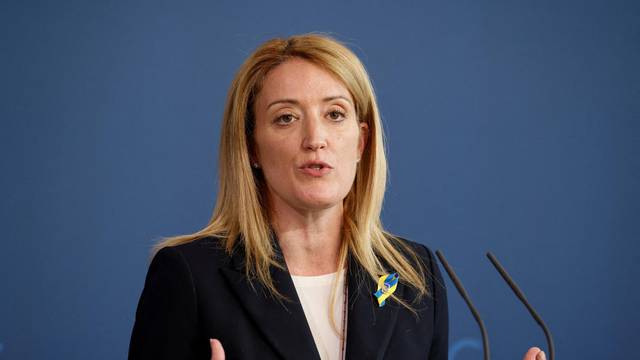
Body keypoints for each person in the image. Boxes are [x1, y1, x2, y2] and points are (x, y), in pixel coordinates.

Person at [128, 33, 546, 360]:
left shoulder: (415, 277)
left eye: (335, 114)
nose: (315, 139)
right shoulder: (190, 276)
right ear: (252, 147)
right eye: (286, 118)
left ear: (362, 142)